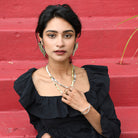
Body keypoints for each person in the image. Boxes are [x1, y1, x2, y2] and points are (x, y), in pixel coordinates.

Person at [14, 4, 121, 138]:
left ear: (76, 38)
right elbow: (39, 122)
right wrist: (44, 134)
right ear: (41, 39)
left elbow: (113, 133)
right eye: (52, 35)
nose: (60, 43)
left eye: (67, 35)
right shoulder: (29, 84)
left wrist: (85, 107)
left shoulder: (94, 79)